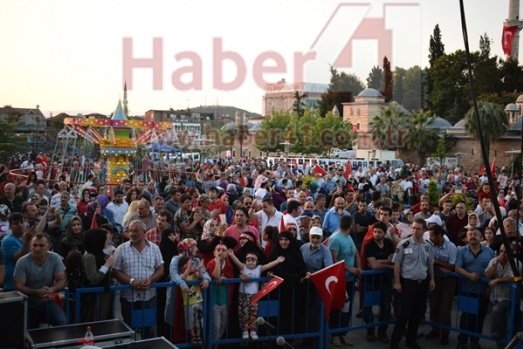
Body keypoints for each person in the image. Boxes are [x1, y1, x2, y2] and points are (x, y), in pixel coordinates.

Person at [112, 220, 164, 338]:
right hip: (128, 297)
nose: (132, 233)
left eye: (135, 230)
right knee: (128, 329)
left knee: (148, 328)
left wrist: (150, 280)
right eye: (130, 231)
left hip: (148, 296)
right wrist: (131, 281)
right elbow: (115, 271)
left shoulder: (154, 248)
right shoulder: (121, 249)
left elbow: (161, 269)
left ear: (144, 232)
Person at [389, 218, 435, 349]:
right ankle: (395, 342)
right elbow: (396, 263)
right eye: (413, 228)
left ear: (424, 230)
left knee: (417, 314)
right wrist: (397, 282)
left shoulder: (427, 245)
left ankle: (411, 340)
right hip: (408, 283)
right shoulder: (404, 244)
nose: (415, 231)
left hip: (422, 283)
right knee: (404, 314)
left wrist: (432, 279)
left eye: (418, 228)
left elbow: (430, 263)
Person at [227, 249, 285, 340]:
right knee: (243, 313)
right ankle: (245, 330)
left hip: (255, 295)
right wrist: (231, 255)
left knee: (253, 313)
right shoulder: (243, 268)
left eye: (253, 260)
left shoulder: (259, 269)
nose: (250, 262)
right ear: (245, 261)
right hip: (243, 295)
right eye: (248, 260)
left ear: (257, 262)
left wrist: (277, 261)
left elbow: (268, 266)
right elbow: (237, 262)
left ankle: (253, 331)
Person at [13, 233, 68, 328]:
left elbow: (62, 279)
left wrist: (52, 289)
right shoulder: (22, 262)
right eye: (35, 245)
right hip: (27, 304)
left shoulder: (55, 258)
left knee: (62, 321)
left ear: (48, 247)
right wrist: (36, 292)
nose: (37, 249)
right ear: (31, 246)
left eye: (41, 245)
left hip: (46, 302)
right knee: (26, 331)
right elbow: (18, 285)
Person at [454, 227, 495, 349]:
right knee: (466, 317)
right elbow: (457, 267)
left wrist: (490, 287)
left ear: (481, 237)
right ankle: (462, 341)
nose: (472, 236)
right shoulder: (462, 251)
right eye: (470, 234)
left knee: (479, 317)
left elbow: (493, 270)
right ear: (466, 237)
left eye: (475, 234)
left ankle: (475, 341)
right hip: (467, 290)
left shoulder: (489, 252)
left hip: (483, 291)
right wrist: (469, 275)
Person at [328, 215, 362, 347]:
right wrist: (350, 269)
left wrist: (358, 268)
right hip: (339, 280)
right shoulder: (336, 238)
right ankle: (335, 335)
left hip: (350, 280)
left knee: (347, 309)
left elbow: (356, 254)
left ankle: (343, 333)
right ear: (351, 226)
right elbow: (334, 260)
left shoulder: (349, 237)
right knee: (337, 308)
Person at [300, 226, 333, 348]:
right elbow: (300, 265)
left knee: (316, 314)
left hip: (318, 287)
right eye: (313, 237)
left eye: (318, 237)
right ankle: (306, 339)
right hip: (305, 285)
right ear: (309, 237)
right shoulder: (303, 248)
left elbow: (328, 269)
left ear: (321, 238)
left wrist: (314, 275)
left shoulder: (325, 251)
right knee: (304, 313)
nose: (315, 239)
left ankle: (316, 340)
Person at [270, 230, 308, 335]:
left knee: (294, 314)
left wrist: (305, 273)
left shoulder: (295, 252)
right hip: (280, 291)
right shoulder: (275, 253)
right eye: (281, 239)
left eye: (286, 240)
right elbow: (279, 272)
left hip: (295, 292)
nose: (283, 242)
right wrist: (296, 277)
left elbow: (302, 266)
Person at [424, 224, 457, 345]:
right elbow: (428, 262)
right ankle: (435, 329)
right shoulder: (429, 245)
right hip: (434, 279)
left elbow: (452, 266)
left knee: (445, 308)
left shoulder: (451, 247)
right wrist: (439, 265)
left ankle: (445, 333)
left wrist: (436, 262)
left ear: (440, 235)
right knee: (434, 306)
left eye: (432, 236)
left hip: (448, 281)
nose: (430, 238)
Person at [362, 221, 394, 343]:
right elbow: (374, 265)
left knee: (386, 307)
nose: (376, 234)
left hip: (385, 281)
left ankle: (382, 332)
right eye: (375, 232)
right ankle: (370, 330)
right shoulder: (369, 245)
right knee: (367, 307)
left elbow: (393, 260)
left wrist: (380, 261)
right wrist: (387, 262)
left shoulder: (388, 243)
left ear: (385, 233)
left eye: (379, 232)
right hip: (370, 281)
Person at [485, 244, 522, 347]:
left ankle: (496, 334)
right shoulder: (494, 261)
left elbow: (515, 277)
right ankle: (502, 345)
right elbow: (488, 274)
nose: (502, 254)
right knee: (499, 321)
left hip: (509, 297)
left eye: (505, 252)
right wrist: (496, 263)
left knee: (496, 310)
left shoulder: (516, 263)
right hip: (495, 295)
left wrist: (498, 280)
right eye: (500, 251)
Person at [81, 228, 115, 322]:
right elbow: (93, 279)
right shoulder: (90, 256)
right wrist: (107, 264)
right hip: (95, 299)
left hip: (104, 295)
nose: (108, 241)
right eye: (105, 239)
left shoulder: (99, 253)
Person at [206, 243, 235, 342]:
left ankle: (217, 343)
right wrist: (218, 261)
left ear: (227, 253)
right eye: (218, 250)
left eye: (223, 250)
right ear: (214, 253)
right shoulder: (210, 263)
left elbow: (230, 277)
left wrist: (224, 278)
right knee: (216, 326)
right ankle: (213, 344)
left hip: (225, 299)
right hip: (214, 299)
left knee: (223, 324)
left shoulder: (228, 265)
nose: (221, 252)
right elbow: (216, 275)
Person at [2, 212, 35, 290]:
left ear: (26, 223)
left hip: (28, 279)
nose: (20, 225)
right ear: (10, 227)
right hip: (14, 282)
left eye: (22, 222)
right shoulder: (8, 241)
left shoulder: (27, 237)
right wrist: (27, 241)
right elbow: (20, 258)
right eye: (16, 223)